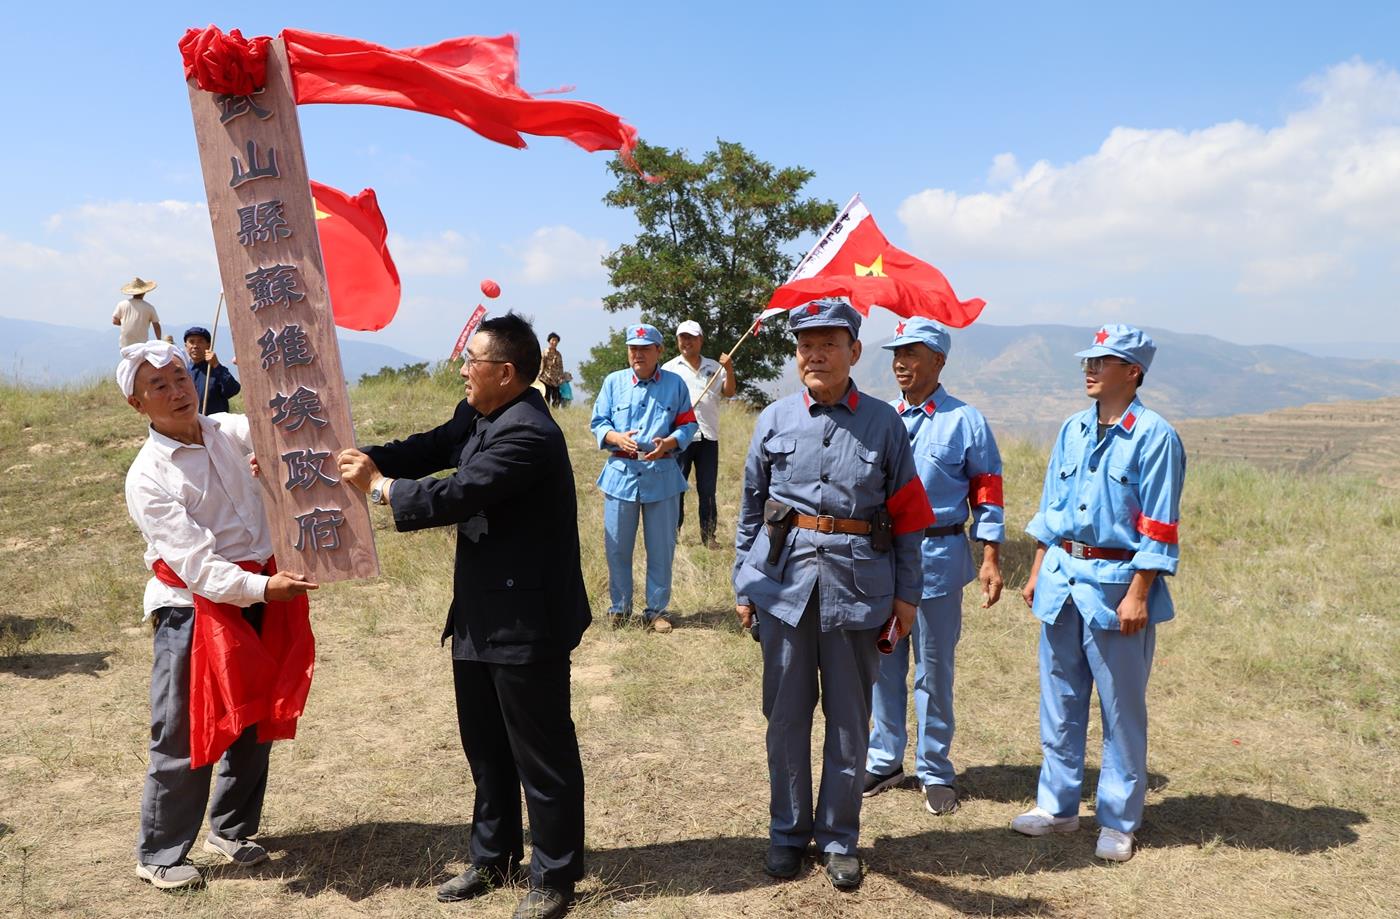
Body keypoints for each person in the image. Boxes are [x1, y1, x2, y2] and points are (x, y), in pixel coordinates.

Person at [338, 312, 589, 919]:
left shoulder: (530, 433)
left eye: (471, 360)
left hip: (527, 621)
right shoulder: (478, 414)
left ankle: (554, 875)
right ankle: (493, 856)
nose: (462, 370)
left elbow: (459, 491)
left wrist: (381, 488)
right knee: (485, 743)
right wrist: (352, 459)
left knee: (541, 752)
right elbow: (425, 449)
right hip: (478, 611)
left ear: (506, 372)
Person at [733, 299, 933, 891]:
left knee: (849, 723)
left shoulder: (885, 424)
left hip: (859, 592)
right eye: (805, 346)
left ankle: (840, 837)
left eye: (828, 344)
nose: (815, 355)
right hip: (783, 589)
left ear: (854, 352)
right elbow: (751, 509)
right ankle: (787, 834)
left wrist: (907, 596)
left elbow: (908, 517)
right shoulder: (773, 420)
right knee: (785, 720)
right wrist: (744, 584)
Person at [120, 341, 317, 891]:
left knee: (256, 715)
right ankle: (159, 853)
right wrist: (263, 587)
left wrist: (274, 457)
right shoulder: (148, 476)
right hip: (194, 609)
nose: (176, 391)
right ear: (138, 404)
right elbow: (198, 568)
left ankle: (230, 829)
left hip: (263, 593)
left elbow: (292, 438)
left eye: (180, 378)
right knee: (182, 729)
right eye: (158, 386)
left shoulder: (229, 431)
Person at [1013, 324, 1186, 863]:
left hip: (1115, 590)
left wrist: (1139, 592)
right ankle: (1057, 806)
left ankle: (1117, 819)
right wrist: (1037, 568)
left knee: (1120, 709)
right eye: (1088, 360)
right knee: (1060, 702)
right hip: (1061, 581)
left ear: (1132, 372)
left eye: (1102, 361)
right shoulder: (1073, 428)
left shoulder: (1156, 436)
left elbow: (1159, 525)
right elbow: (1051, 506)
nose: (1089, 369)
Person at [864, 318, 1005, 815]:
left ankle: (935, 769)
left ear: (939, 360)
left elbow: (987, 490)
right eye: (896, 353)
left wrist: (990, 555)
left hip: (939, 560)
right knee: (883, 662)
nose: (900, 362)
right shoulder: (881, 418)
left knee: (934, 669)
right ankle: (884, 759)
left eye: (912, 353)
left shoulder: (965, 421)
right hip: (883, 559)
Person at [589, 323, 697, 633]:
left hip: (661, 475)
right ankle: (620, 609)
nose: (638, 354)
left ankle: (656, 611)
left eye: (645, 348)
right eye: (633, 348)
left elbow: (688, 424)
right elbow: (598, 422)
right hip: (621, 475)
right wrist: (616, 437)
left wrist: (670, 442)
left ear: (659, 351)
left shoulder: (675, 384)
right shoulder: (613, 382)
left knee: (661, 548)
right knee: (617, 548)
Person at [663, 320, 737, 548]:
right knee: (677, 487)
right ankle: (672, 534)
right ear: (678, 341)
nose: (687, 342)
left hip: (708, 435)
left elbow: (729, 392)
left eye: (691, 337)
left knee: (707, 489)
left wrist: (729, 369)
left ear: (700, 340)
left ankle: (709, 536)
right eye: (683, 337)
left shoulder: (715, 367)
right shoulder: (669, 368)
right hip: (680, 436)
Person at [184, 326, 241, 415]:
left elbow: (233, 390)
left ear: (208, 345)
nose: (195, 346)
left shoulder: (216, 369)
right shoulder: (183, 373)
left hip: (215, 422)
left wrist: (216, 365)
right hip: (191, 422)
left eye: (200, 341)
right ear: (186, 346)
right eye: (191, 342)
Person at [112, 277, 162, 348]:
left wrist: (125, 322)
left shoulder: (122, 304)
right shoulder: (149, 307)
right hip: (141, 345)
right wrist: (159, 340)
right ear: (144, 292)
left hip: (125, 344)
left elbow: (114, 321)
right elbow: (156, 325)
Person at [540, 332, 566, 408]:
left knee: (557, 398)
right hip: (545, 378)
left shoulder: (558, 354)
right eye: (553, 340)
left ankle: (555, 412)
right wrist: (539, 375)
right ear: (549, 341)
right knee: (546, 398)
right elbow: (541, 365)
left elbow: (560, 366)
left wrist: (561, 377)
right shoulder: (544, 352)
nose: (554, 342)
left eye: (556, 341)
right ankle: (546, 411)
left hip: (556, 380)